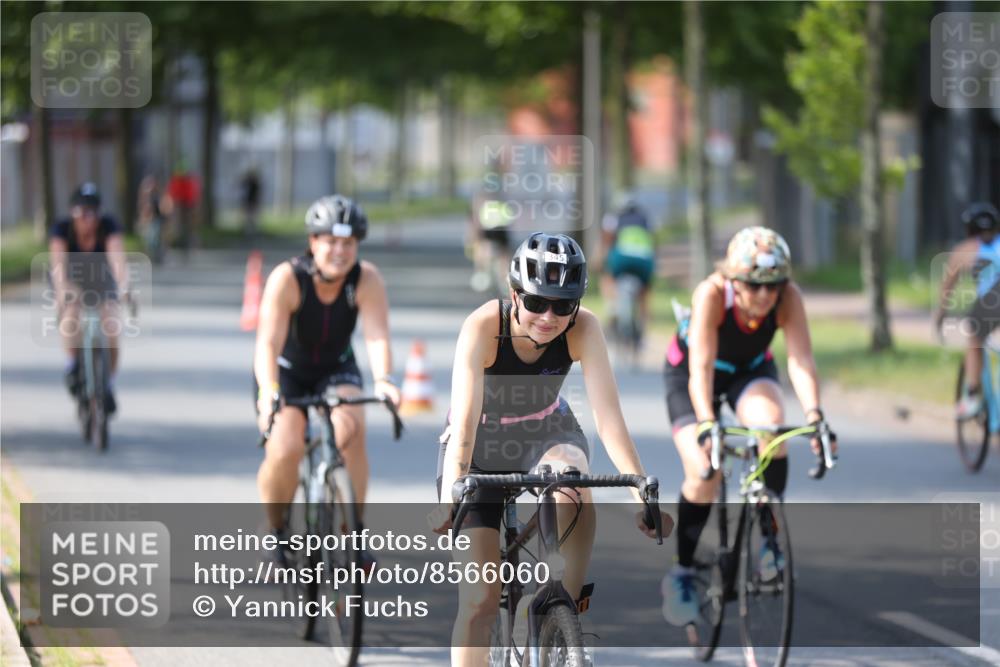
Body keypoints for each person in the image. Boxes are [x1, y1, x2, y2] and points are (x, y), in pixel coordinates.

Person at [433, 232, 671, 665]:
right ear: (514, 295)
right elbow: (464, 423)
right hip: (481, 443)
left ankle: (557, 608)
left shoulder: (584, 328)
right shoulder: (485, 326)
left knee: (572, 483)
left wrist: (641, 493)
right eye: (537, 302)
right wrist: (454, 489)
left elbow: (609, 418)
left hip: (547, 429)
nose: (549, 316)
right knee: (480, 602)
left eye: (563, 305)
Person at [661, 226, 837, 625]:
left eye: (772, 286)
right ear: (733, 280)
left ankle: (769, 539)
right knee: (705, 468)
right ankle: (682, 572)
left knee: (772, 428)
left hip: (748, 372)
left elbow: (800, 360)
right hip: (691, 374)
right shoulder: (711, 294)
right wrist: (708, 423)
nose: (763, 296)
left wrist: (814, 416)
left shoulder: (788, 298)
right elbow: (700, 368)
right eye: (753, 286)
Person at [254, 194, 401, 548]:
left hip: (337, 369)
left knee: (351, 430)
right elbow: (267, 344)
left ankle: (354, 533)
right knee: (285, 448)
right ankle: (276, 532)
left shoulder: (366, 279)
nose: (340, 251)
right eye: (331, 242)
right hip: (286, 373)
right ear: (313, 242)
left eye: (348, 243)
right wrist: (268, 390)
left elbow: (377, 336)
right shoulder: (288, 279)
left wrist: (384, 379)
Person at [49, 182, 129, 413]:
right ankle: (73, 364)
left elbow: (117, 258)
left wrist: (124, 284)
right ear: (73, 212)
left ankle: (108, 385)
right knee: (71, 315)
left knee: (112, 328)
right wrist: (62, 288)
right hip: (72, 281)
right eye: (83, 212)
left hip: (101, 282)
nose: (88, 218)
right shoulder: (62, 229)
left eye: (93, 212)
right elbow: (58, 263)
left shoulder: (109, 226)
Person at [934, 202, 1000, 418]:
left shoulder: (966, 249)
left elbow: (948, 287)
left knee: (974, 336)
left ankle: (971, 394)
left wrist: (940, 314)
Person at [598, 194, 657, 336]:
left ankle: (612, 309)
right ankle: (644, 324)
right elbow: (653, 243)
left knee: (607, 278)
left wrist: (600, 260)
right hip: (645, 259)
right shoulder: (646, 219)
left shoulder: (613, 218)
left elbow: (606, 241)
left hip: (622, 258)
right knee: (644, 291)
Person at [240, 168, 262, 238]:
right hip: (248, 201)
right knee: (248, 217)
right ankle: (248, 231)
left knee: (252, 217)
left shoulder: (255, 183)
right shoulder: (248, 182)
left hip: (252, 202)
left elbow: (258, 193)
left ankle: (252, 231)